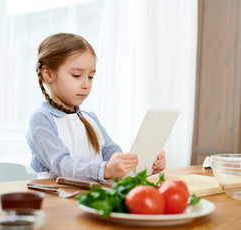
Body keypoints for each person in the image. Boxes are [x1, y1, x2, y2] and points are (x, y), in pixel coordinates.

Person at [26, 33, 166, 181]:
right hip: (57, 199)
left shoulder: (90, 118)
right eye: (76, 75)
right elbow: (62, 165)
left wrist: (141, 166)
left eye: (90, 76)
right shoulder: (41, 119)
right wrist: (106, 169)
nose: (86, 84)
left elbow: (112, 153)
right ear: (48, 74)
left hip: (89, 196)